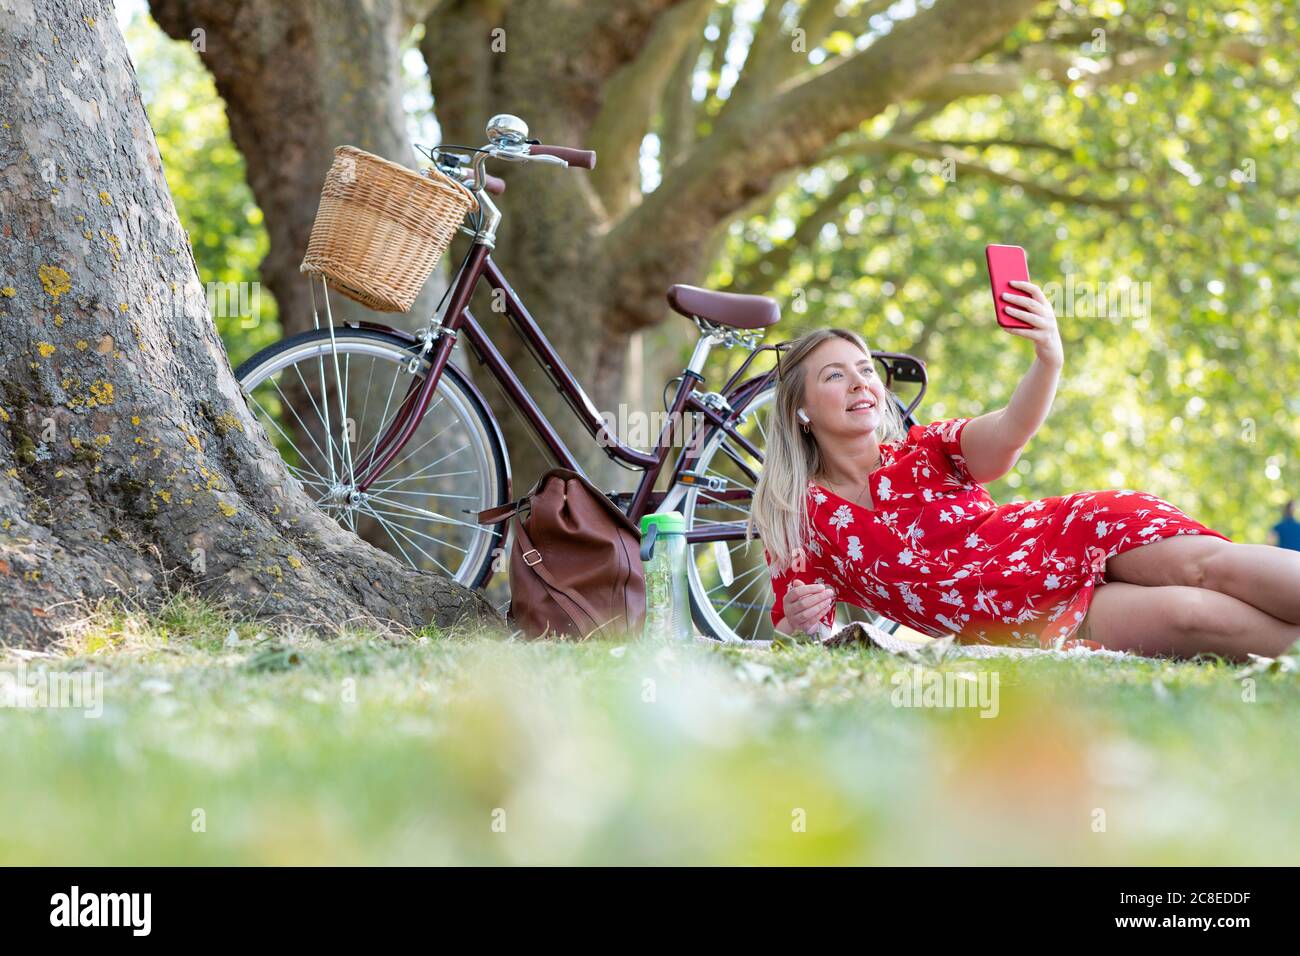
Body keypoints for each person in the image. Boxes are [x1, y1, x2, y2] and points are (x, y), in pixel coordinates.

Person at [747, 283, 1300, 662]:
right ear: (801, 409)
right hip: (1032, 620)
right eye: (836, 377)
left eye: (866, 370)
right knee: (1190, 614)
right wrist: (797, 617)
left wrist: (1047, 359)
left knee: (1207, 568)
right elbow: (795, 630)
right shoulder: (803, 519)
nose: (861, 383)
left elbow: (1010, 430)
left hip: (1079, 532)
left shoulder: (926, 448)